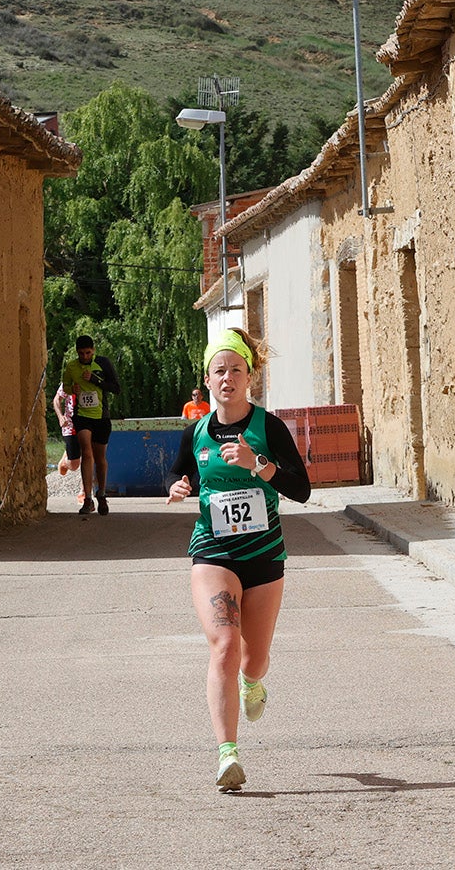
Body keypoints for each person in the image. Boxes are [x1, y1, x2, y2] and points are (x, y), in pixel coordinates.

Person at [165, 327, 310, 792]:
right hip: (213, 550)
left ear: (250, 377)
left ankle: (252, 683)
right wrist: (177, 487)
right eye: (219, 370)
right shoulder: (196, 433)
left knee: (255, 658)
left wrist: (257, 464)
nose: (227, 378)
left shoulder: (268, 428)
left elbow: (302, 489)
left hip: (264, 555)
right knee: (224, 646)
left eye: (236, 370)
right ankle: (227, 754)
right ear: (208, 380)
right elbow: (179, 474)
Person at [61, 334, 120, 516]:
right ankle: (87, 498)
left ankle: (101, 494)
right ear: (76, 352)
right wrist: (73, 390)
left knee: (99, 457)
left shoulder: (103, 363)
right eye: (81, 353)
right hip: (82, 416)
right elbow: (65, 387)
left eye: (88, 353)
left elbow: (116, 388)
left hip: (101, 416)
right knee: (86, 452)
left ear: (93, 350)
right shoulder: (71, 367)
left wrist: (95, 380)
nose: (85, 357)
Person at [52, 384, 82, 488]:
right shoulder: (68, 382)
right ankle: (65, 460)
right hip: (70, 425)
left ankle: (84, 493)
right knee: (74, 465)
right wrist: (60, 417)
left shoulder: (94, 379)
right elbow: (56, 400)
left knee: (89, 456)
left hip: (89, 423)